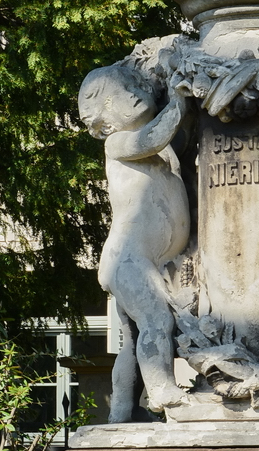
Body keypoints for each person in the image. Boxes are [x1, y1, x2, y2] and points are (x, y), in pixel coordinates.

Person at [78, 64, 190, 420]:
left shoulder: (161, 146)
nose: (133, 94)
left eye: (134, 86)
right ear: (104, 122)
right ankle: (162, 392)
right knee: (156, 323)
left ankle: (121, 411)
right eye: (119, 96)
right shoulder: (119, 143)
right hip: (130, 259)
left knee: (132, 340)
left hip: (148, 260)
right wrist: (180, 98)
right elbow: (154, 137)